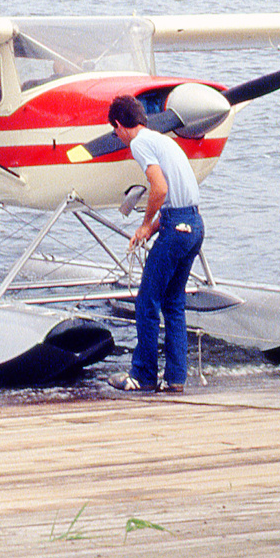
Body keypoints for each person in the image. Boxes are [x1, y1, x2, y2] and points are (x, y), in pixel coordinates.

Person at [105, 94, 204, 393]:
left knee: (147, 301)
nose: (118, 137)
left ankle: (143, 375)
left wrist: (146, 223)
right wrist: (151, 229)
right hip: (195, 225)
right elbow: (178, 201)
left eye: (115, 132)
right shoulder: (164, 141)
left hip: (176, 227)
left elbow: (159, 190)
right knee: (173, 303)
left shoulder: (138, 143)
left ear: (120, 125)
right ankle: (175, 378)